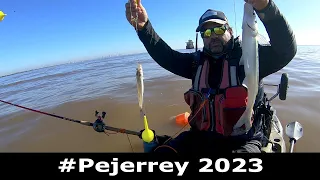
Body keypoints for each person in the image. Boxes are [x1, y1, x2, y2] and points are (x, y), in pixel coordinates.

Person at [125, 0, 297, 153]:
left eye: (218, 29)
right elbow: (167, 57)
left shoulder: (250, 57)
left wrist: (264, 6)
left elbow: (286, 51)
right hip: (200, 138)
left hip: (244, 140)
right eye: (206, 33)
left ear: (229, 30)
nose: (212, 35)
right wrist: (143, 27)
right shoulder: (195, 64)